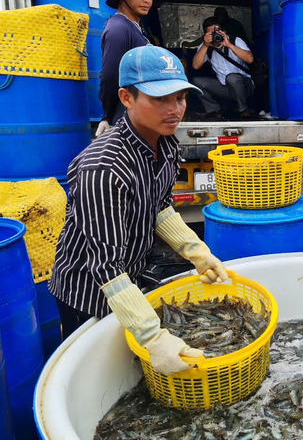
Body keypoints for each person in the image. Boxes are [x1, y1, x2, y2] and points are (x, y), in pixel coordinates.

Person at [49, 45, 229, 376]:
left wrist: (196, 251)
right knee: (96, 371)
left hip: (129, 274)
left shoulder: (167, 143)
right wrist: (152, 336)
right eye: (160, 99)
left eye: (180, 98)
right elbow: (104, 264)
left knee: (131, 360)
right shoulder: (103, 168)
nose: (175, 109)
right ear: (126, 98)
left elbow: (158, 205)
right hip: (88, 289)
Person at [96, 0, 169, 136]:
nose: (147, 0)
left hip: (143, 120)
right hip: (128, 122)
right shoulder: (119, 29)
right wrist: (108, 115)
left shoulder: (135, 28)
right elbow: (110, 77)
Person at [191, 16, 256, 120]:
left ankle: (244, 110)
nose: (215, 36)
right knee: (196, 81)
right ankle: (214, 111)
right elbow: (196, 66)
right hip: (225, 88)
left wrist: (229, 45)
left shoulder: (235, 40)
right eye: (211, 34)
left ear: (223, 32)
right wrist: (205, 45)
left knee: (232, 78)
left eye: (217, 32)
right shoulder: (206, 46)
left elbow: (250, 59)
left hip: (244, 87)